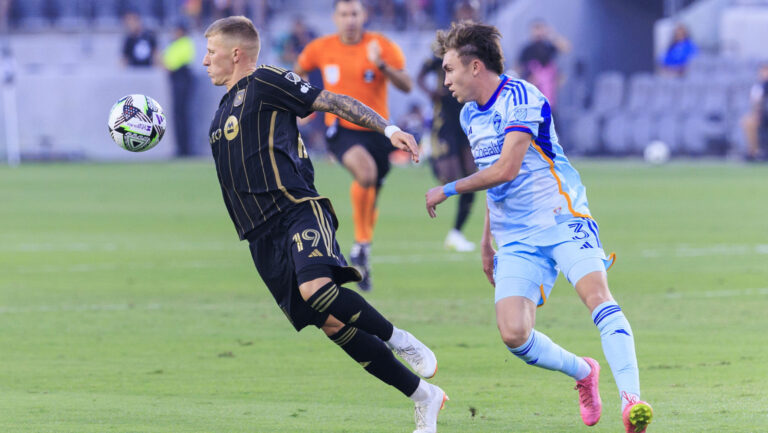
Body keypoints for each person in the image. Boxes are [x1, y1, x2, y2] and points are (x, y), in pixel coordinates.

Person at [202, 16, 447, 433]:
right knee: (332, 324)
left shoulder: (266, 81)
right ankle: (424, 397)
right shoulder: (221, 114)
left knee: (317, 290)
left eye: (211, 51)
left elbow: (332, 101)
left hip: (297, 208)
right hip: (261, 238)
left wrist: (388, 128)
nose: (205, 60)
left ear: (236, 54)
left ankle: (398, 337)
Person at [425, 21, 653, 433]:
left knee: (596, 295)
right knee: (513, 333)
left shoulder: (523, 96)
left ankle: (631, 400)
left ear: (475, 67)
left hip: (561, 217)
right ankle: (583, 373)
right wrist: (486, 243)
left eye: (449, 69)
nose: (446, 80)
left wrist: (450, 188)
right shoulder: (467, 116)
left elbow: (508, 167)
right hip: (514, 237)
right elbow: (492, 178)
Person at [295, 0, 413, 291]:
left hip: (379, 130)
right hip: (341, 129)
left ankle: (362, 248)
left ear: (364, 15)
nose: (350, 19)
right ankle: (361, 243)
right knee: (366, 173)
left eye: (355, 14)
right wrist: (304, 106)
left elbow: (407, 85)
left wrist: (381, 65)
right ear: (335, 17)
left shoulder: (381, 46)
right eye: (344, 14)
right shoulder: (320, 48)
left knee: (372, 187)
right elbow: (297, 73)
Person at [417, 54, 476, 252]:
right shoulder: (439, 55)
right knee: (448, 176)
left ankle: (456, 233)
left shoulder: (469, 52)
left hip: (467, 114)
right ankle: (431, 155)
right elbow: (420, 76)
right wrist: (431, 92)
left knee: (472, 176)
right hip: (444, 120)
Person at [516, 19, 570, 109]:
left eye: (540, 29)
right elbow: (519, 67)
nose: (538, 32)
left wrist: (552, 35)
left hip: (549, 91)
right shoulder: (527, 49)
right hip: (534, 91)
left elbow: (566, 47)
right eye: (536, 29)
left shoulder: (548, 46)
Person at [163, 21, 196, 157]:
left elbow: (170, 64)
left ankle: (185, 148)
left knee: (182, 115)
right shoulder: (176, 44)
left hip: (181, 79)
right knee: (179, 115)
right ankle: (181, 147)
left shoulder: (184, 43)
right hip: (178, 80)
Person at [740, 63, 768, 161]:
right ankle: (754, 152)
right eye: (764, 71)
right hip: (763, 114)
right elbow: (756, 101)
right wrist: (757, 113)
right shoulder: (760, 86)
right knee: (747, 122)